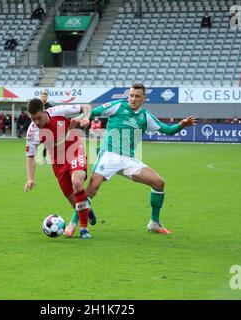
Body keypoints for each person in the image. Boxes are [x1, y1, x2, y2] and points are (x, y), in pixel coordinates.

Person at [65, 83, 197, 236]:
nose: (133, 99)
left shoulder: (145, 116)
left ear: (143, 99)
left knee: (159, 183)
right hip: (109, 154)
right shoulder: (118, 106)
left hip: (128, 160)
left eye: (137, 96)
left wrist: (181, 124)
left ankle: (154, 223)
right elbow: (94, 111)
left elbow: (167, 130)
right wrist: (82, 118)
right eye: (131, 95)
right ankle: (73, 223)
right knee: (91, 189)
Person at [24, 99, 96, 239]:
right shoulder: (32, 132)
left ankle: (83, 229)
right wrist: (30, 179)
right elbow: (31, 156)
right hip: (58, 161)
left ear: (44, 111)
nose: (37, 122)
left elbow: (85, 106)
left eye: (38, 118)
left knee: (77, 182)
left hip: (74, 148)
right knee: (74, 201)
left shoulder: (58, 111)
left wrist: (85, 117)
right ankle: (87, 208)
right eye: (33, 119)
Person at [40, 91, 52, 163]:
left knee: (46, 144)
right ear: (41, 97)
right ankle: (30, 154)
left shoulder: (49, 106)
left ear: (47, 97)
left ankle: (44, 158)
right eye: (43, 96)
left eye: (45, 96)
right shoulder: (38, 106)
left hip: (47, 128)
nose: (44, 97)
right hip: (38, 127)